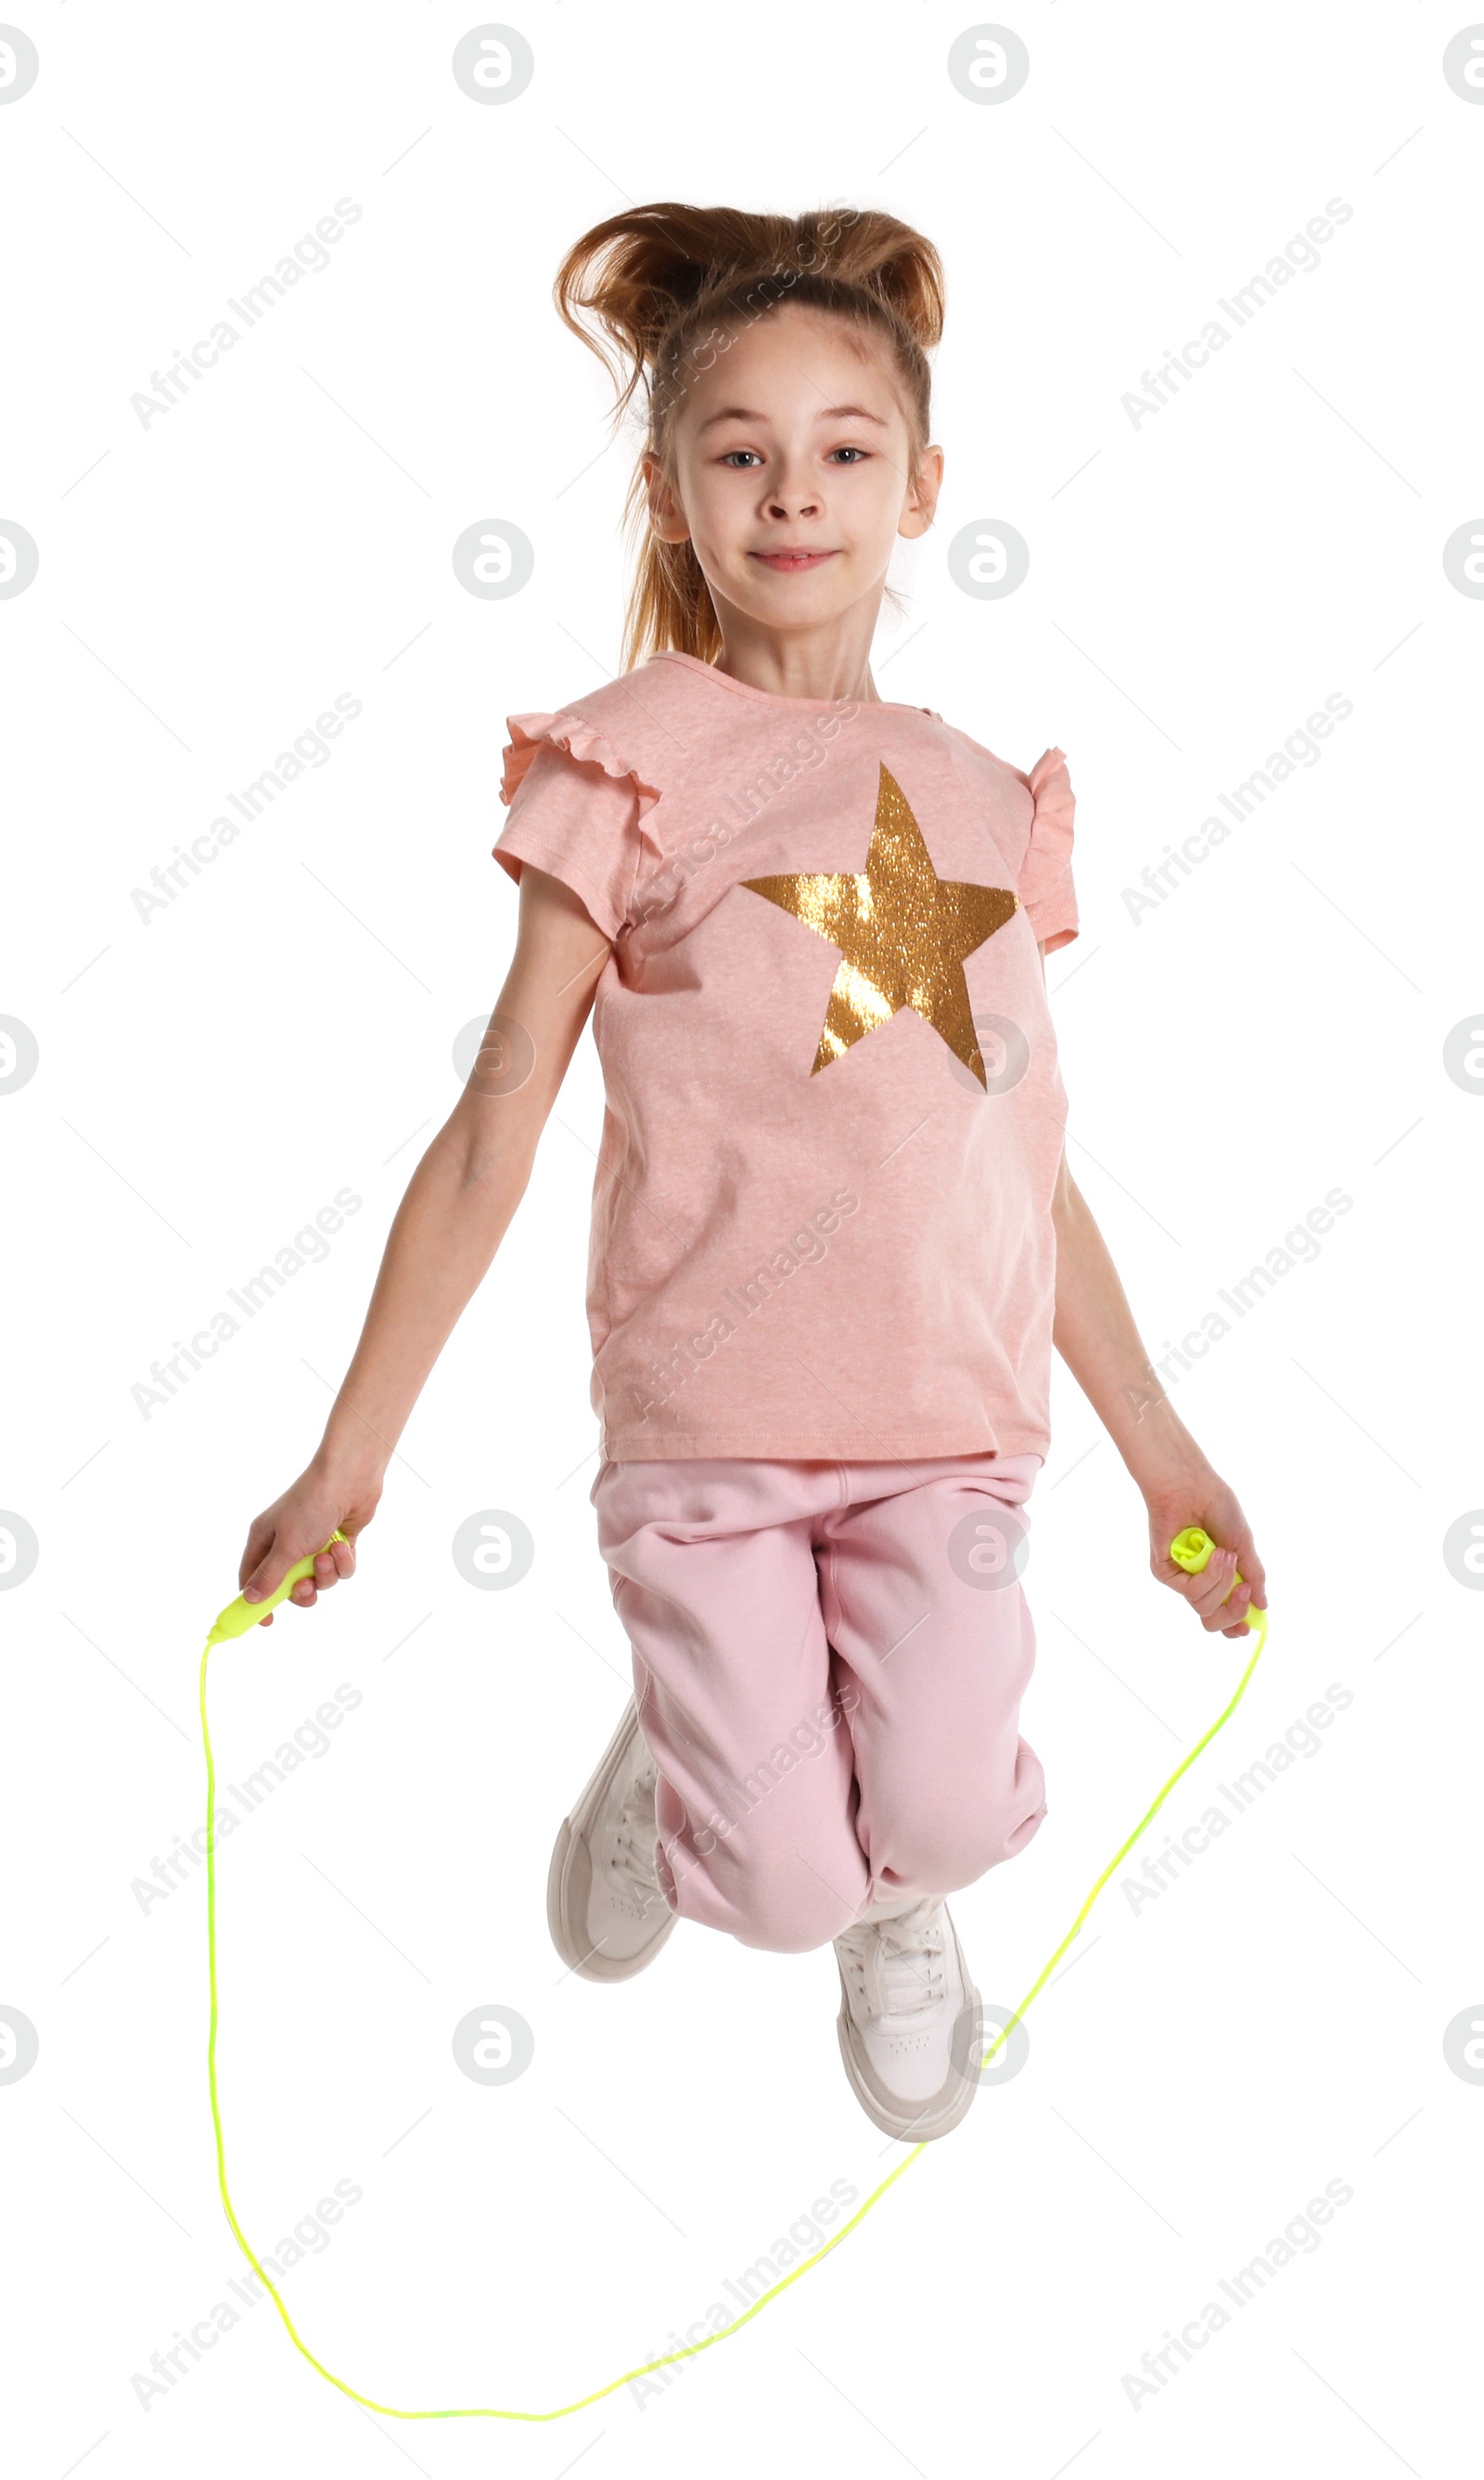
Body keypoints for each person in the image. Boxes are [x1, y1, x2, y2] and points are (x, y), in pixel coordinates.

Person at [237, 201, 1267, 2146]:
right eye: (739, 452)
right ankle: (691, 1764)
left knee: (944, 1816)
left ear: (920, 484)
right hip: (709, 1426)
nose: (793, 493)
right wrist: (348, 1454)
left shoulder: (976, 791)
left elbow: (1018, 1161)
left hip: (953, 1426)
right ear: (669, 490)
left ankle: (883, 1877)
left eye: (843, 450)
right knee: (781, 1885)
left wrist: (1159, 1449)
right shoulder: (623, 764)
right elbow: (497, 1118)